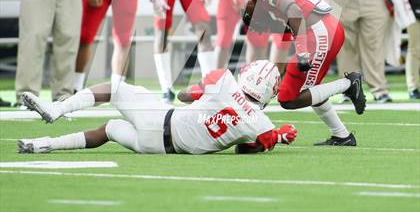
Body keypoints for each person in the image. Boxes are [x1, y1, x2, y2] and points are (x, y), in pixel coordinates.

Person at [231, 0, 366, 145]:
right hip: (325, 27)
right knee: (310, 88)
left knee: (288, 98)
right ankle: (342, 135)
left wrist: (302, 51)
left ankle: (349, 84)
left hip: (317, 33)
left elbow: (294, 11)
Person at [18, 60, 298, 155]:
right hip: (158, 147)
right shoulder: (262, 124)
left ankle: (56, 109)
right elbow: (245, 149)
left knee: (114, 89)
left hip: (164, 119)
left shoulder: (223, 80)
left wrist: (201, 97)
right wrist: (278, 136)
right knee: (110, 130)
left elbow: (184, 96)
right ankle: (45, 145)